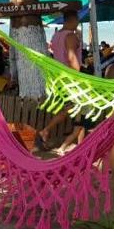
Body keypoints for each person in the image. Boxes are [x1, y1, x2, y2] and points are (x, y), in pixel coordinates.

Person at [37, 10, 84, 152]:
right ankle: (47, 131)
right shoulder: (70, 36)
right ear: (73, 20)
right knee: (75, 109)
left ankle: (74, 142)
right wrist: (80, 78)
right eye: (77, 21)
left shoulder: (56, 35)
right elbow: (72, 59)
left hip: (60, 78)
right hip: (71, 78)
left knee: (72, 109)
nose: (77, 24)